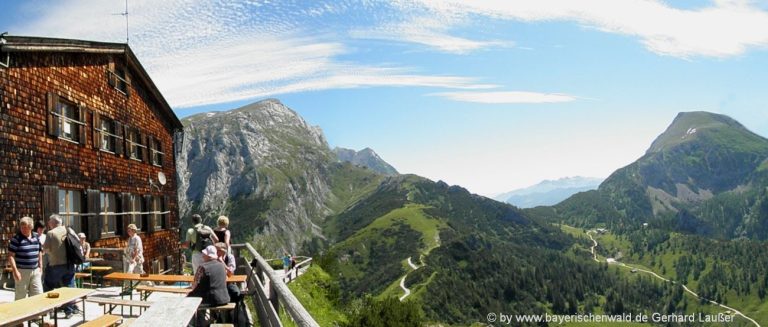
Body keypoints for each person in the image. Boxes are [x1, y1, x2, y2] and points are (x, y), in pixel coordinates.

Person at [43, 214, 77, 318]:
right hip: (70, 264)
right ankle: (69, 311)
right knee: (69, 287)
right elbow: (77, 242)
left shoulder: (50, 233)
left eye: (49, 221)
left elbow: (45, 249)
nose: (48, 223)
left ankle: (51, 309)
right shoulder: (69, 230)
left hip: (55, 265)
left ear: (52, 223)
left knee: (48, 286)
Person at [188, 245, 230, 326]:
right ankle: (214, 320)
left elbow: (195, 285)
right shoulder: (222, 266)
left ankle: (198, 325)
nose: (203, 255)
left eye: (204, 254)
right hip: (224, 298)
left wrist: (190, 294)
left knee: (192, 300)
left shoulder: (202, 267)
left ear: (208, 255)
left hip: (209, 300)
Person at [7, 216, 43, 300]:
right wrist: (15, 271)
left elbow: (39, 251)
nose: (23, 229)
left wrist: (41, 267)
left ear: (31, 227)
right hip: (22, 271)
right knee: (20, 297)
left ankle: (36, 313)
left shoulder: (36, 236)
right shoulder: (16, 239)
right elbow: (10, 256)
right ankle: (20, 313)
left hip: (35, 271)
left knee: (38, 295)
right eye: (21, 227)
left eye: (25, 227)